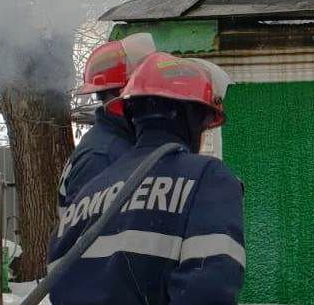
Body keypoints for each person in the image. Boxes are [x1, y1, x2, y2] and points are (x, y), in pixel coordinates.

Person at [48, 52, 244, 305]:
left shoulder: (85, 195)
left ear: (130, 114)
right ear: (194, 118)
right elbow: (209, 291)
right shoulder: (208, 178)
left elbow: (61, 288)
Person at [58, 33, 157, 202]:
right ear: (124, 96)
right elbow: (85, 218)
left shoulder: (118, 140)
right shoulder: (102, 157)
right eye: (145, 91)